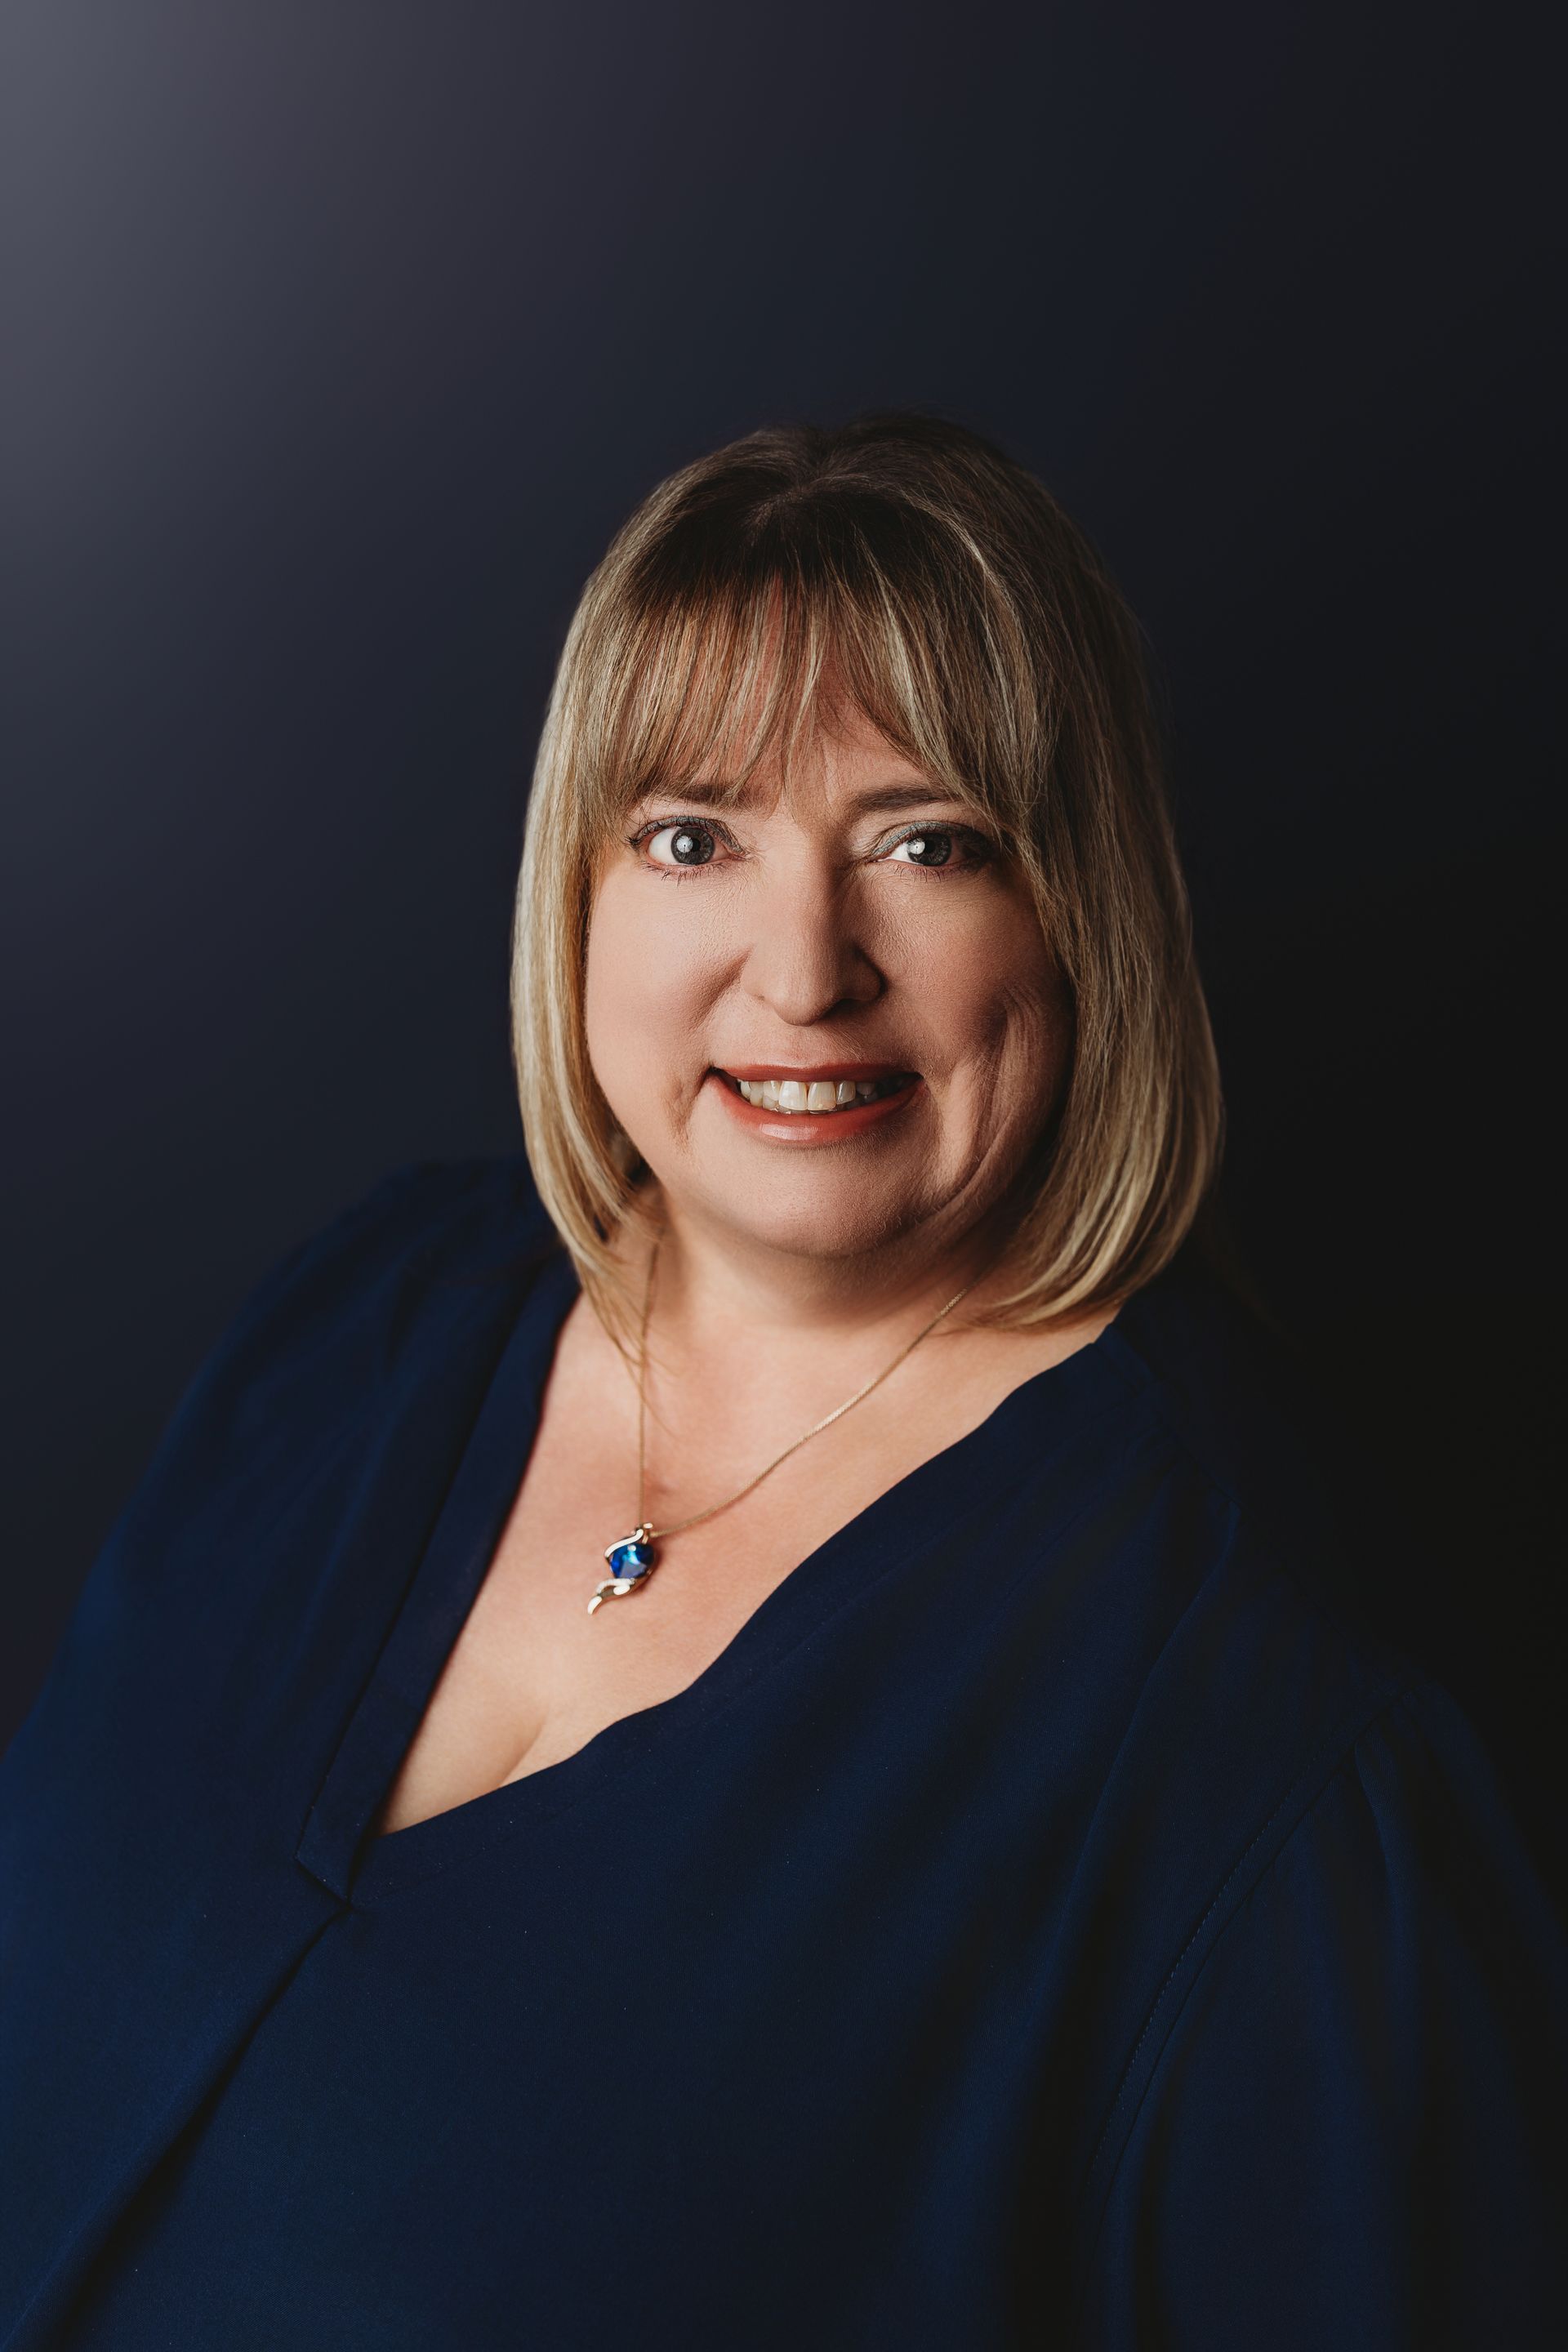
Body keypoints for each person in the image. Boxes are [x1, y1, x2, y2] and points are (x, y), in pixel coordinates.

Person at [1, 413, 1561, 2350]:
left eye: (926, 841)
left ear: (1082, 918)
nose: (803, 968)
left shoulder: (1275, 1727)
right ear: (581, 884)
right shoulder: (363, 1321)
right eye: (693, 834)